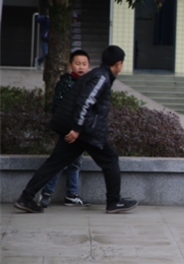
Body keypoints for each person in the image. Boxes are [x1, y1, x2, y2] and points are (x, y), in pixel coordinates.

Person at [14, 45, 139, 214]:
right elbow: (85, 103)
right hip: (85, 131)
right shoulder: (101, 77)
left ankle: (25, 198)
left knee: (54, 163)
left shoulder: (98, 74)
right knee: (110, 160)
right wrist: (77, 129)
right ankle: (113, 202)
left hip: (79, 131)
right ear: (119, 64)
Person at [38, 50, 91, 208]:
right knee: (60, 162)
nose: (81, 67)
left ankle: (71, 195)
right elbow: (58, 108)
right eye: (77, 63)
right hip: (68, 131)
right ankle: (46, 193)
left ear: (88, 66)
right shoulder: (65, 83)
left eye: (84, 64)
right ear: (70, 65)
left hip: (80, 132)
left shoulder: (89, 84)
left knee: (75, 163)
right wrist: (70, 130)